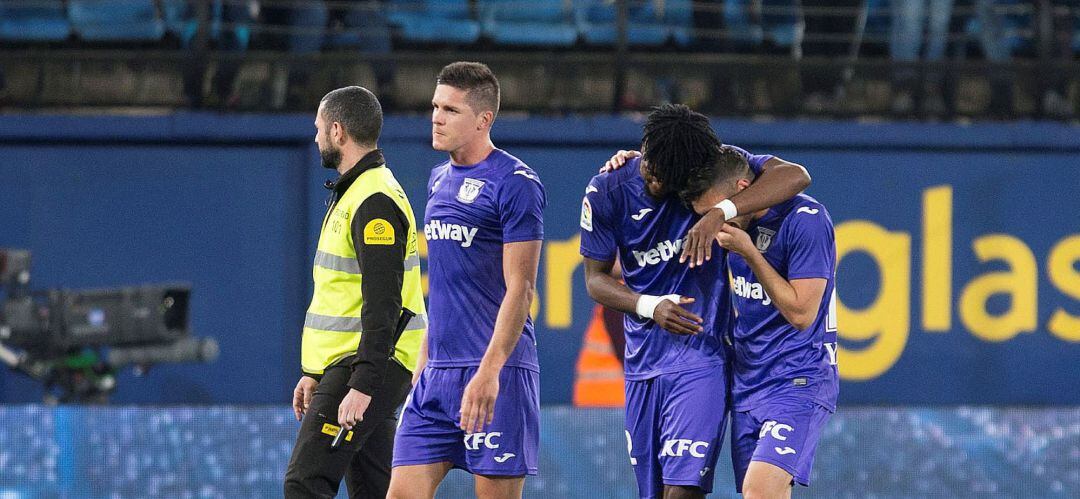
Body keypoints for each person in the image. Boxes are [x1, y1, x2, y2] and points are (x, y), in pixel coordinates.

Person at [582, 104, 810, 499]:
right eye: (649, 167)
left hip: (701, 357)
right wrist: (649, 306)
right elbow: (595, 279)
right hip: (642, 364)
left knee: (683, 491)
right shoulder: (606, 189)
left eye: (664, 180)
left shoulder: (707, 172)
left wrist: (721, 211)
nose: (652, 181)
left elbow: (796, 176)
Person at [387, 62, 546, 499]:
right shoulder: (438, 180)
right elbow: (443, 285)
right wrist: (423, 366)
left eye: (451, 110)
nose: (436, 117)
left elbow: (522, 288)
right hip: (435, 376)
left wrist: (489, 371)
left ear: (483, 120)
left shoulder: (516, 183)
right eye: (435, 106)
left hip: (496, 374)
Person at [284, 86, 426, 498]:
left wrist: (362, 384)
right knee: (374, 489)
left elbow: (384, 301)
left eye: (318, 129)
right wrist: (315, 373)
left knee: (305, 483)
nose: (315, 139)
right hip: (358, 364)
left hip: (365, 366)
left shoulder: (373, 199)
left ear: (337, 131)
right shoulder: (359, 190)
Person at [686, 146, 839, 498]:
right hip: (748, 380)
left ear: (743, 190)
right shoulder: (739, 207)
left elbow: (802, 314)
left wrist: (751, 254)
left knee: (759, 490)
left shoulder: (806, 219)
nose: (715, 224)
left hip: (797, 377)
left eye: (717, 213)